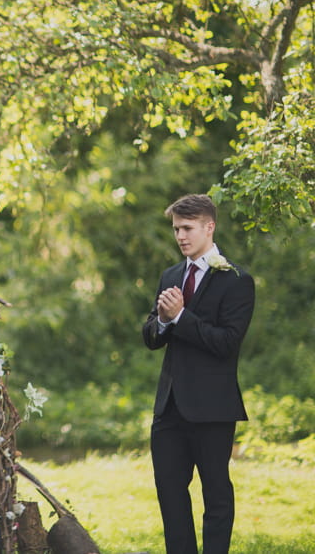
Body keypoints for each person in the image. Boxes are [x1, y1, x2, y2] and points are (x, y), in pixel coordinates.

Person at [141, 194, 255, 554]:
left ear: (209, 227)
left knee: (216, 493)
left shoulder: (237, 280)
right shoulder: (171, 275)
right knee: (170, 494)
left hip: (213, 408)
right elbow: (151, 336)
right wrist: (161, 319)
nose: (180, 236)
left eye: (187, 228)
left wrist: (180, 318)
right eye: (176, 229)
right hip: (169, 407)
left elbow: (226, 343)